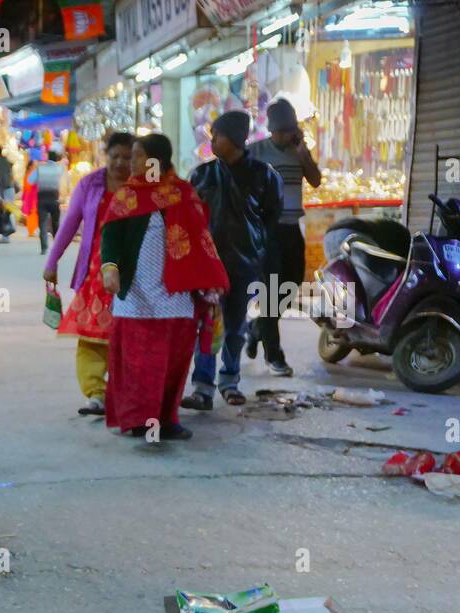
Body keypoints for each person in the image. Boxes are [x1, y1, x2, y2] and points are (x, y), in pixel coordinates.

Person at [98, 134, 229, 440]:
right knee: (137, 361)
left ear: (156, 160)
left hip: (175, 294)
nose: (131, 163)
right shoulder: (127, 196)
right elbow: (111, 238)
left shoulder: (183, 193)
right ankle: (138, 420)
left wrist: (208, 281)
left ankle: (165, 419)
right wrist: (110, 269)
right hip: (135, 295)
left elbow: (201, 240)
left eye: (137, 156)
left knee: (172, 360)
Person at [182, 110, 283, 410]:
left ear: (236, 139)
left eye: (218, 135)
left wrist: (258, 254)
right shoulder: (201, 174)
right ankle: (202, 387)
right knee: (206, 325)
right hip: (206, 265)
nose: (212, 140)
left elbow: (270, 219)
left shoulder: (265, 176)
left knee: (235, 326)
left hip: (244, 263)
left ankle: (229, 380)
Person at [43, 131, 134, 416]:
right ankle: (95, 392)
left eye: (127, 157)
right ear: (104, 155)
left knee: (128, 333)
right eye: (115, 156)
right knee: (92, 335)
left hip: (133, 273)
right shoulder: (90, 184)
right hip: (95, 271)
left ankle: (126, 390)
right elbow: (69, 224)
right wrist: (52, 261)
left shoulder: (143, 185)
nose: (120, 162)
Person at [246, 98, 322, 376]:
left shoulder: (299, 152)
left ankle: (256, 328)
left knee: (291, 284)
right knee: (271, 288)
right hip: (266, 231)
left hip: (291, 227)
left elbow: (315, 180)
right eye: (283, 131)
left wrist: (303, 152)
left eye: (292, 130)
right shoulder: (256, 152)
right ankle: (274, 355)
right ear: (272, 129)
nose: (288, 135)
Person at [36, 148, 66, 254]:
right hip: (54, 198)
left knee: (43, 224)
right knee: (55, 224)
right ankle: (56, 248)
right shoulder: (59, 168)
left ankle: (44, 248)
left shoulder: (40, 168)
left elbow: (30, 180)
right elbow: (63, 181)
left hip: (42, 198)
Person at [0, 148, 15, 246]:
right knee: (8, 212)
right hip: (9, 188)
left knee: (1, 213)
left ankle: (3, 234)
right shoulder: (7, 162)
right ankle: (6, 234)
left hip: (1, 190)